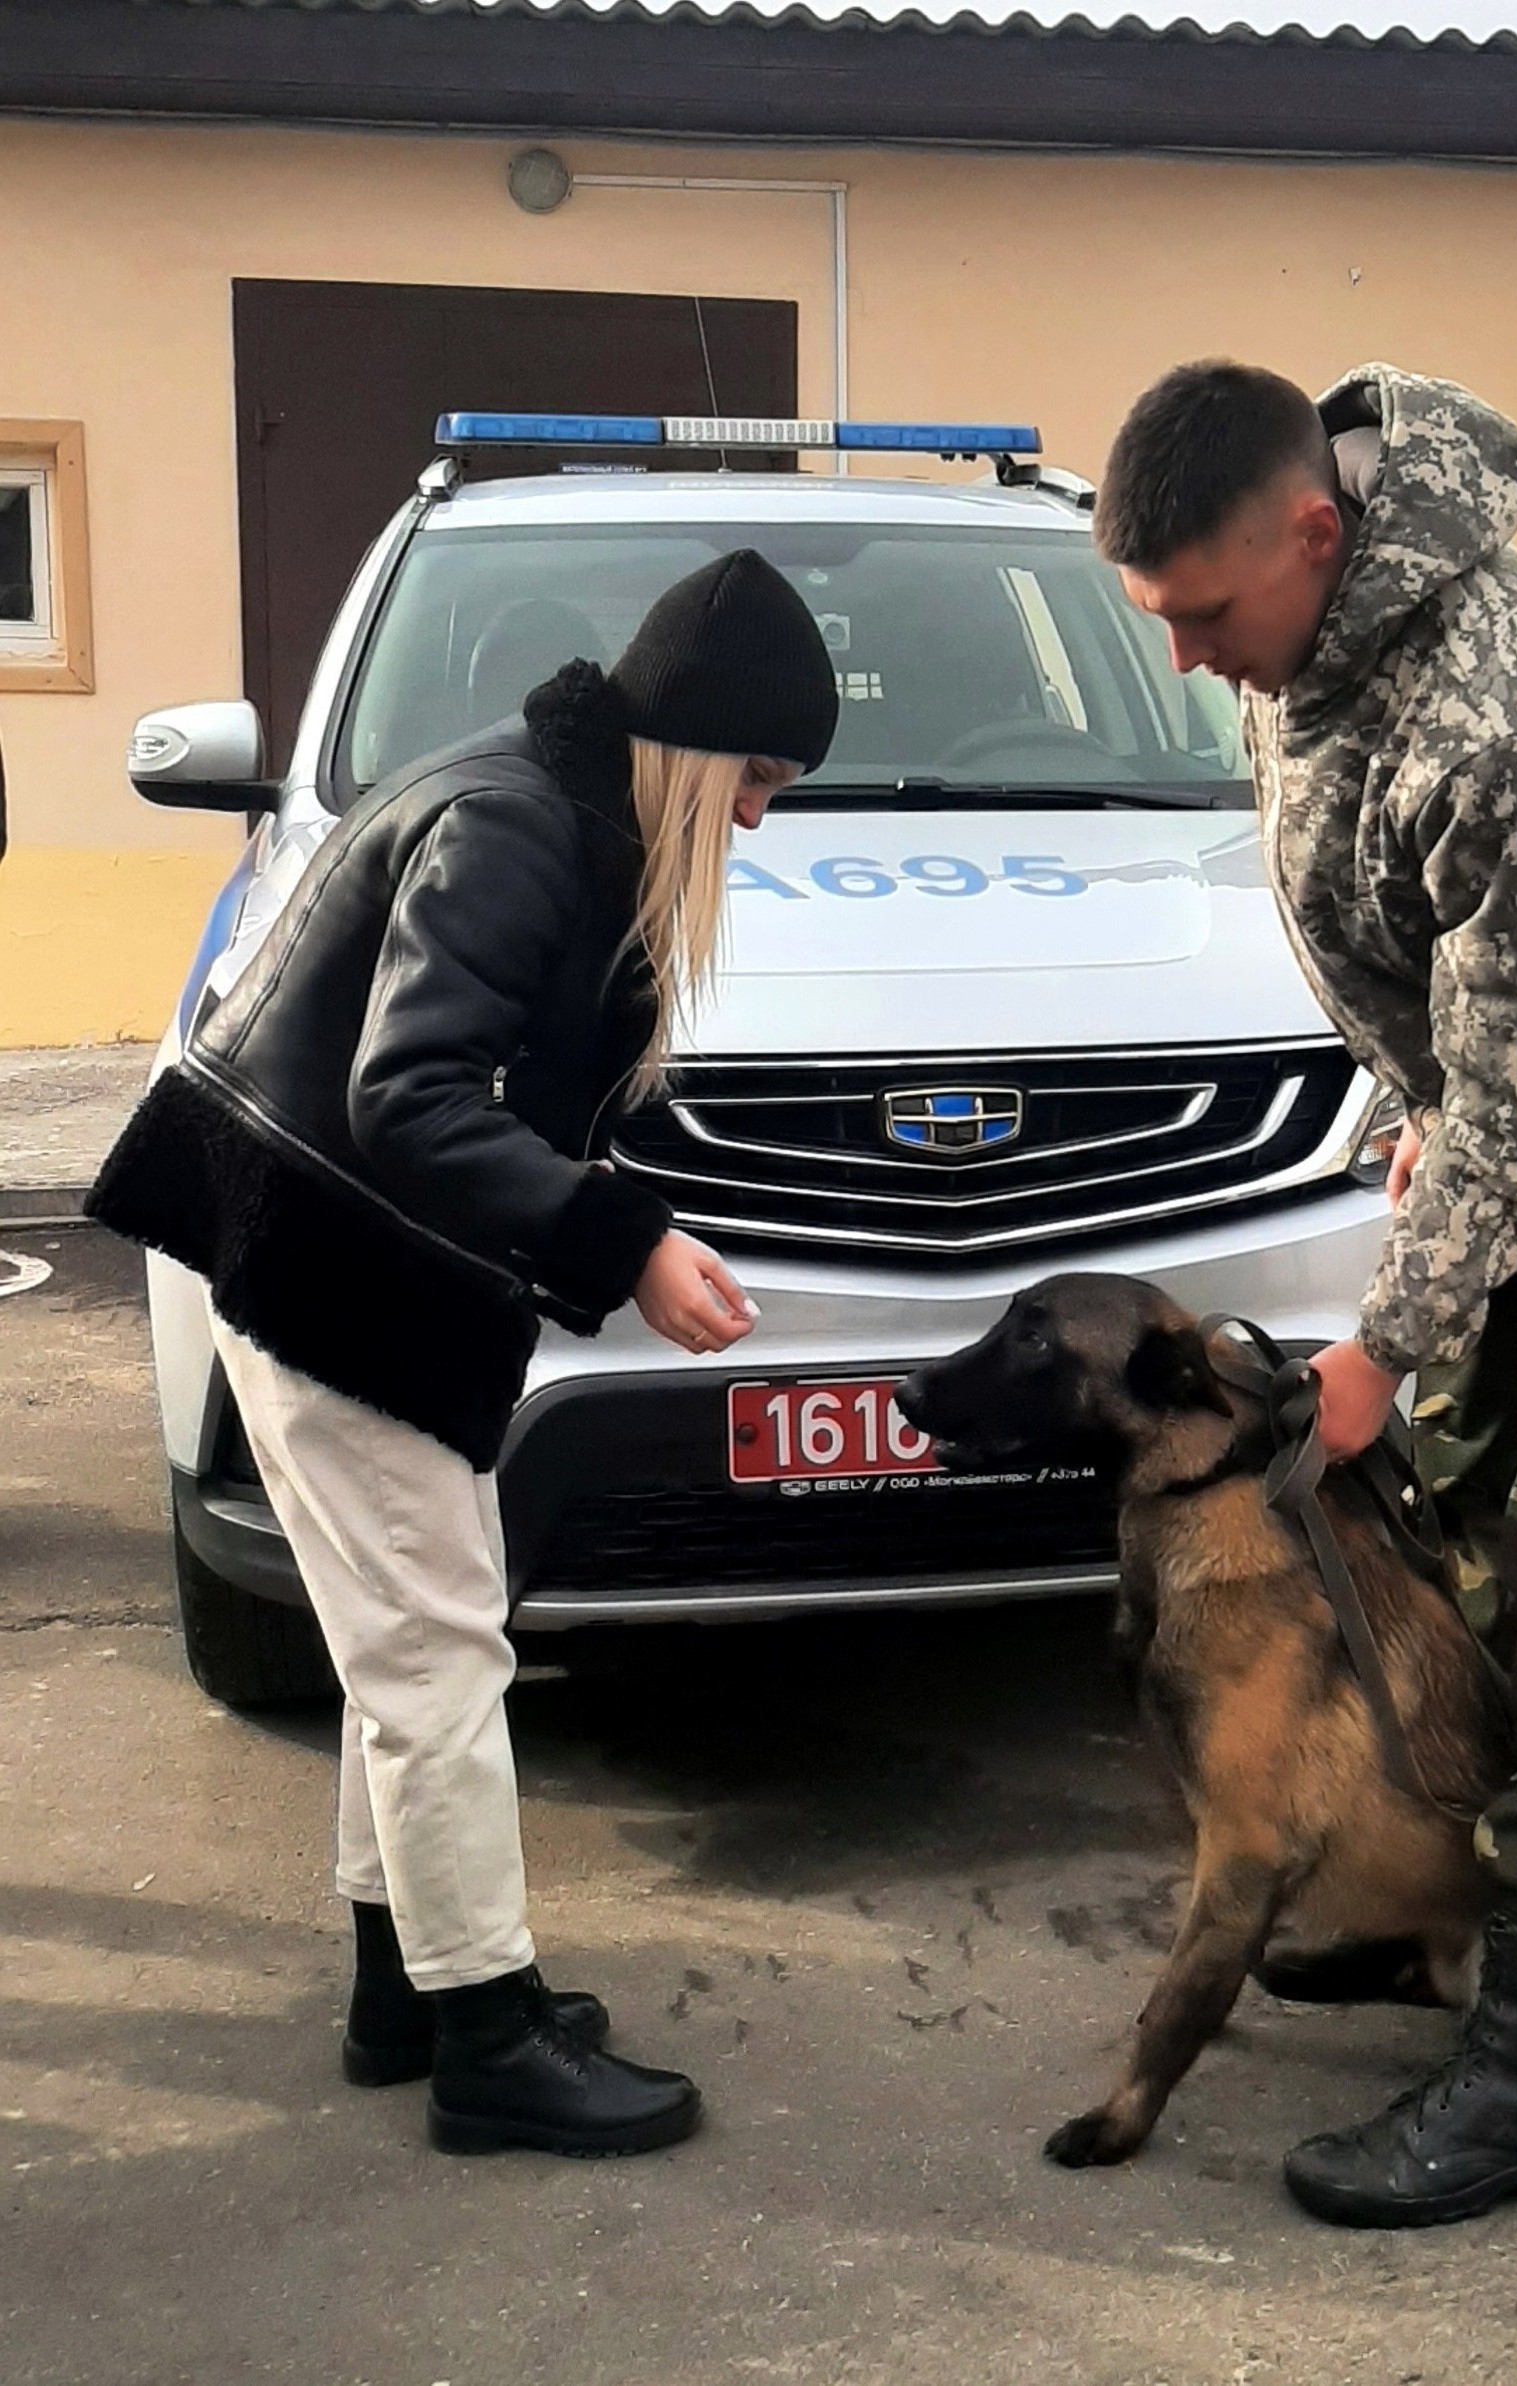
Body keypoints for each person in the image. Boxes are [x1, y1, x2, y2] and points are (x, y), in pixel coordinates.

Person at [1095, 362, 1517, 2229]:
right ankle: (1445, 1918)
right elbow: (1421, 970)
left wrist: (1374, 1345)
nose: (1188, 663)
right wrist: (1420, 1113)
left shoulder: (1512, 719)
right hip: (1503, 1121)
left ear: (1316, 536)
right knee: (1456, 1527)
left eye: (1204, 618)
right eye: (1155, 619)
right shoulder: (1315, 639)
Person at [91, 552, 838, 2157]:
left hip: (346, 1258)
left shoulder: (558, 806)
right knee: (439, 1655)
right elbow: (411, 1097)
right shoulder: (515, 825)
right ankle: (488, 2036)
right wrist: (622, 1242)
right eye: (763, 777)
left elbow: (505, 1102)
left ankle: (405, 1994)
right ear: (701, 743)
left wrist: (622, 1218)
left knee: (408, 1643)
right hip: (325, 1265)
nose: (764, 818)